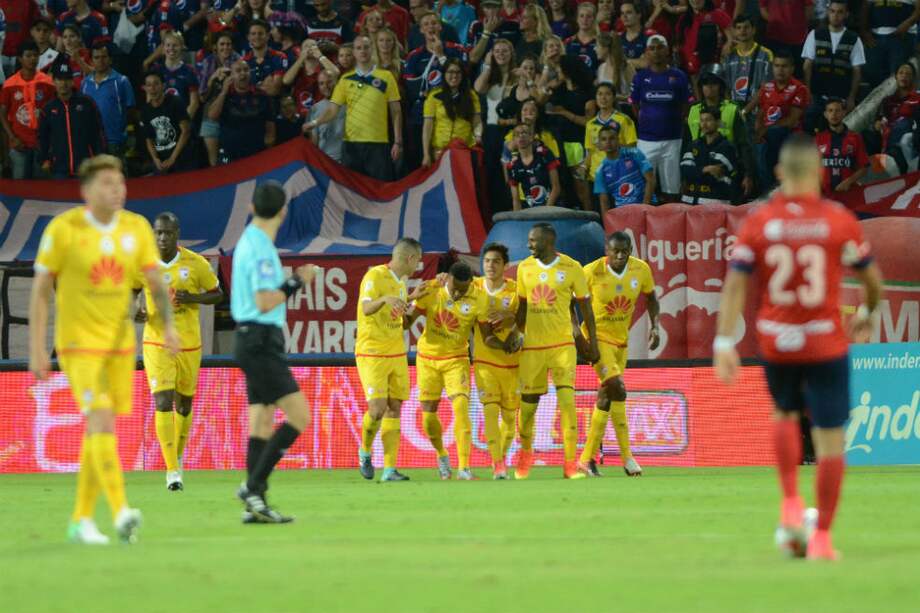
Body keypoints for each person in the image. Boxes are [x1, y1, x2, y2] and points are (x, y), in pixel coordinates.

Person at [713, 135, 883, 560]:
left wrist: (724, 340)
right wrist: (868, 311)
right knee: (830, 442)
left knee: (785, 413)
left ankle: (790, 501)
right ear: (820, 173)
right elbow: (871, 278)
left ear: (778, 172)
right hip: (825, 340)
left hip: (778, 339)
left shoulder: (760, 221)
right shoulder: (838, 219)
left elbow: (735, 283)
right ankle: (822, 537)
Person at [30, 155, 178, 545]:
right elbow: (41, 291)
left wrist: (170, 327)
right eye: (107, 183)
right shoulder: (64, 230)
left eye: (120, 182)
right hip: (78, 343)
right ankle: (120, 510)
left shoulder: (136, 227)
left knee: (101, 427)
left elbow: (155, 282)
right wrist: (37, 347)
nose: (117, 190)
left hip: (119, 344)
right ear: (86, 190)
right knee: (99, 419)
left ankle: (80, 520)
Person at [232, 181, 317, 523]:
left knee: (262, 421)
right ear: (283, 211)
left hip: (249, 338)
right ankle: (252, 487)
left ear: (251, 207)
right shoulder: (261, 247)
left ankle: (256, 505)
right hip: (261, 341)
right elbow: (265, 300)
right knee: (300, 416)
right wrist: (298, 280)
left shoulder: (247, 241)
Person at [134, 213, 222, 491]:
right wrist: (136, 311)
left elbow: (217, 293)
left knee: (184, 406)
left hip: (189, 343)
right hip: (156, 341)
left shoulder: (196, 264)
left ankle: (177, 457)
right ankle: (172, 471)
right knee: (163, 402)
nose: (162, 238)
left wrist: (193, 298)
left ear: (177, 234)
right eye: (158, 233)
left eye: (167, 233)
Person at [407, 261, 506, 480]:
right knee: (428, 417)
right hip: (427, 359)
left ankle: (464, 468)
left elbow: (486, 335)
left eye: (464, 289)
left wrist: (504, 343)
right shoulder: (431, 289)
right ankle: (442, 455)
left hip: (457, 359)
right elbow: (406, 322)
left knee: (461, 407)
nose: (459, 293)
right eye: (456, 288)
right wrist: (407, 298)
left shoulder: (479, 298)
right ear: (447, 278)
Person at [514, 223, 598, 479]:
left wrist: (592, 342)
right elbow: (522, 307)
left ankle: (570, 465)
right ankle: (525, 454)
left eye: (533, 241)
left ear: (548, 241)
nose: (528, 245)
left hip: (562, 346)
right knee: (527, 410)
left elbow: (586, 308)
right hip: (532, 347)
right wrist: (517, 334)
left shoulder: (572, 267)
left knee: (568, 405)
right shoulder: (524, 268)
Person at [576, 231, 659, 477]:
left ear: (630, 251)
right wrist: (579, 337)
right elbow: (571, 302)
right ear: (607, 251)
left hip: (621, 342)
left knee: (607, 396)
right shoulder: (591, 271)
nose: (621, 256)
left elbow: (652, 298)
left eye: (625, 251)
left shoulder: (641, 270)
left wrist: (655, 326)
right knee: (617, 388)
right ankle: (628, 457)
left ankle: (586, 459)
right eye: (616, 252)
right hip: (597, 339)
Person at [355, 238, 427, 482]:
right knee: (376, 410)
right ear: (410, 258)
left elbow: (400, 321)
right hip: (372, 352)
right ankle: (365, 452)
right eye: (418, 260)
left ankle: (389, 469)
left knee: (394, 407)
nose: (418, 265)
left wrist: (413, 298)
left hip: (396, 352)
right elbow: (366, 309)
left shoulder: (401, 284)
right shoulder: (375, 276)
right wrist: (384, 299)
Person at [306, 35, 402, 181]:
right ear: (354, 53)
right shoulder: (345, 80)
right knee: (353, 189)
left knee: (381, 188)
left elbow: (396, 111)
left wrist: (398, 141)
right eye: (358, 48)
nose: (362, 51)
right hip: (351, 146)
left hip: (378, 144)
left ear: (372, 50)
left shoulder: (386, 77)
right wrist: (315, 123)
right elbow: (332, 110)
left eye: (366, 47)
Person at [473, 243, 522, 480]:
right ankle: (498, 464)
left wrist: (509, 315)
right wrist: (442, 278)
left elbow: (529, 316)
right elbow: (450, 288)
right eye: (487, 261)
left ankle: (501, 457)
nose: (490, 265)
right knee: (490, 410)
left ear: (506, 265)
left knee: (510, 418)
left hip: (513, 363)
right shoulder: (474, 287)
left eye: (496, 261)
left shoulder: (515, 291)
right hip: (485, 361)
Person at [403, 12, 468, 171]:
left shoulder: (456, 50)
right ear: (421, 30)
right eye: (426, 24)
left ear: (440, 27)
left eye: (434, 23)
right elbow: (410, 86)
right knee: (422, 162)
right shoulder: (414, 56)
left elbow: (462, 78)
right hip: (422, 115)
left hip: (450, 113)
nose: (430, 27)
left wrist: (441, 56)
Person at [631, 34, 691, 202]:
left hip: (672, 140)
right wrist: (646, 121)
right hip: (646, 140)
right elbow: (634, 104)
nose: (656, 52)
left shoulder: (679, 76)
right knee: (644, 186)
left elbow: (686, 103)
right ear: (646, 52)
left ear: (667, 51)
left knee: (672, 188)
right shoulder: (640, 77)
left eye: (660, 47)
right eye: (652, 48)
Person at [687, 66, 755, 198]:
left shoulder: (732, 109)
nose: (709, 87)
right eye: (705, 83)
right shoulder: (693, 110)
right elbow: (687, 144)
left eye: (714, 83)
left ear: (721, 86)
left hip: (727, 169)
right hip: (699, 170)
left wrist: (748, 175)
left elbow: (744, 145)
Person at [802, 0, 865, 132]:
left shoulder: (854, 39)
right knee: (809, 129)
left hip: (841, 96)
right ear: (827, 12)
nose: (835, 15)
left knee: (838, 133)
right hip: (817, 94)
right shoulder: (815, 34)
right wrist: (807, 92)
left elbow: (857, 71)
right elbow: (807, 65)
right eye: (832, 11)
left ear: (846, 14)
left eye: (840, 12)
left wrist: (851, 97)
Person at [755, 50, 810, 190]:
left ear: (792, 68)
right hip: (768, 135)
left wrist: (765, 130)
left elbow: (792, 120)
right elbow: (760, 114)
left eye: (784, 66)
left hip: (789, 136)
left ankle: (779, 189)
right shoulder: (766, 87)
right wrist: (758, 130)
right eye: (777, 66)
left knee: (771, 137)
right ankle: (765, 189)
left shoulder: (800, 89)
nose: (780, 70)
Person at [39, 63, 105, 179]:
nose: (63, 83)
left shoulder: (87, 103)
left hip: (85, 167)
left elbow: (98, 132)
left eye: (67, 79)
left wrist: (99, 158)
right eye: (60, 79)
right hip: (59, 168)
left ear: (72, 81)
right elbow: (43, 137)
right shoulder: (48, 108)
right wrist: (44, 159)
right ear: (53, 81)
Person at [0, 42, 55, 180]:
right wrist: (12, 137)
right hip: (19, 143)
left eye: (35, 55)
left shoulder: (47, 82)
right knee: (19, 184)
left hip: (41, 143)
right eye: (28, 56)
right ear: (20, 58)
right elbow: (2, 114)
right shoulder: (9, 84)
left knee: (40, 185)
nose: (32, 59)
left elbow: (54, 112)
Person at [208, 60, 275, 164]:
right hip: (229, 154)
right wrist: (224, 92)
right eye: (238, 71)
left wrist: (267, 149)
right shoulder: (224, 95)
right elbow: (212, 116)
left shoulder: (262, 95)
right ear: (231, 76)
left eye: (246, 70)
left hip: (256, 153)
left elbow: (270, 127)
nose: (243, 73)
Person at [422, 58, 481, 166]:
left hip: (465, 150)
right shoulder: (434, 96)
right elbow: (427, 126)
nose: (454, 75)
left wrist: (478, 136)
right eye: (450, 72)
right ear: (444, 74)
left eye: (458, 72)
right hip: (440, 151)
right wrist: (426, 154)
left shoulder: (472, 96)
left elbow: (477, 121)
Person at [80, 43, 135, 158]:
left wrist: (126, 135)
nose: (101, 61)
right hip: (91, 141)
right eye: (96, 57)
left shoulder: (122, 81)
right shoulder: (85, 83)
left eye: (104, 57)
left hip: (114, 141)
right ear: (91, 61)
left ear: (110, 59)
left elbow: (130, 110)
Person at [866, 62, 920, 175]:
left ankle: (893, 158)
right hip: (885, 137)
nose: (904, 76)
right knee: (865, 134)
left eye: (908, 74)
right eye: (901, 73)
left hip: (908, 141)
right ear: (896, 76)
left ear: (913, 78)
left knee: (904, 123)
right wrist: (877, 124)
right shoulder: (887, 101)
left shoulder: (917, 99)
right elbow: (878, 119)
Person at [680, 107, 739, 204]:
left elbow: (714, 178)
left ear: (718, 122)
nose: (704, 124)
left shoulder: (727, 147)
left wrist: (695, 172)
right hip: (689, 201)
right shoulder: (693, 145)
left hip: (716, 203)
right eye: (702, 120)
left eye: (708, 120)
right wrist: (705, 169)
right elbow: (685, 171)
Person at [140, 71, 195, 174]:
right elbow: (149, 139)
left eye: (156, 84)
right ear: (145, 88)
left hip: (182, 158)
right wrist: (155, 159)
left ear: (163, 86)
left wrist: (172, 158)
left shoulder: (175, 102)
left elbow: (186, 131)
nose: (152, 88)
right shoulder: (145, 111)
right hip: (161, 162)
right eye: (149, 85)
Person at [585, 82, 638, 187]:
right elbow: (590, 151)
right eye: (600, 94)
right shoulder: (591, 124)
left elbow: (632, 147)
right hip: (596, 176)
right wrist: (584, 167)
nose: (603, 98)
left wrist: (613, 146)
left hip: (619, 175)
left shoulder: (624, 120)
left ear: (613, 98)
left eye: (607, 94)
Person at [594, 124, 656, 214]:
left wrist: (644, 207)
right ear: (599, 144)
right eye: (604, 139)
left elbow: (651, 180)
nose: (608, 142)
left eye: (612, 138)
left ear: (618, 140)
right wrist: (607, 222)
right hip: (623, 213)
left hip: (647, 206)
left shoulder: (634, 153)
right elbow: (604, 202)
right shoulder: (600, 171)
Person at [860, 0, 920, 90]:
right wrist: (864, 30)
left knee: (898, 77)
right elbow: (865, 7)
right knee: (871, 72)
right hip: (875, 37)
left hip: (903, 36)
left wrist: (908, 23)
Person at [815, 98, 868, 195]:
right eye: (830, 110)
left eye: (837, 110)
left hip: (848, 194)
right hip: (824, 195)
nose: (834, 114)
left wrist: (849, 181)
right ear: (825, 114)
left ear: (844, 113)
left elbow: (864, 168)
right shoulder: (818, 139)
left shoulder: (855, 138)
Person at [146, 31, 201, 122]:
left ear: (182, 47)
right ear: (163, 48)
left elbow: (194, 104)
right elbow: (149, 99)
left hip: (182, 123)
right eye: (168, 45)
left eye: (175, 45)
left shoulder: (189, 71)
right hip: (160, 123)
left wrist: (183, 123)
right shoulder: (156, 70)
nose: (171, 48)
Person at [507, 124, 562, 210]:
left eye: (524, 133)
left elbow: (556, 187)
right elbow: (516, 200)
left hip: (553, 207)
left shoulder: (544, 153)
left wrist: (546, 211)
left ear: (531, 137)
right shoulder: (512, 165)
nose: (521, 136)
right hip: (531, 211)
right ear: (514, 140)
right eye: (517, 134)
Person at [242, 20, 288, 99]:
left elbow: (274, 89)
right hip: (250, 104)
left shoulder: (279, 57)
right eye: (253, 34)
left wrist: (254, 87)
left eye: (260, 33)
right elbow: (242, 89)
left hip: (275, 103)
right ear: (248, 37)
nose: (257, 37)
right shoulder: (243, 61)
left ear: (268, 36)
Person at [307, 70, 345, 162]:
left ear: (337, 83)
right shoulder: (314, 109)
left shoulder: (349, 104)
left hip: (348, 162)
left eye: (329, 82)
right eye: (321, 83)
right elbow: (314, 142)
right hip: (326, 163)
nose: (326, 86)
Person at [619, 1, 655, 70]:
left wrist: (624, 61)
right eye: (622, 13)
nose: (624, 16)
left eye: (629, 12)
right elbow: (613, 62)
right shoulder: (618, 38)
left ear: (639, 15)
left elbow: (647, 63)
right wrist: (637, 61)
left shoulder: (650, 36)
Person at [565, 2, 600, 72]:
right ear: (577, 19)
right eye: (581, 16)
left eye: (588, 16)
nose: (585, 19)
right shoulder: (568, 42)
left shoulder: (600, 42)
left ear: (594, 19)